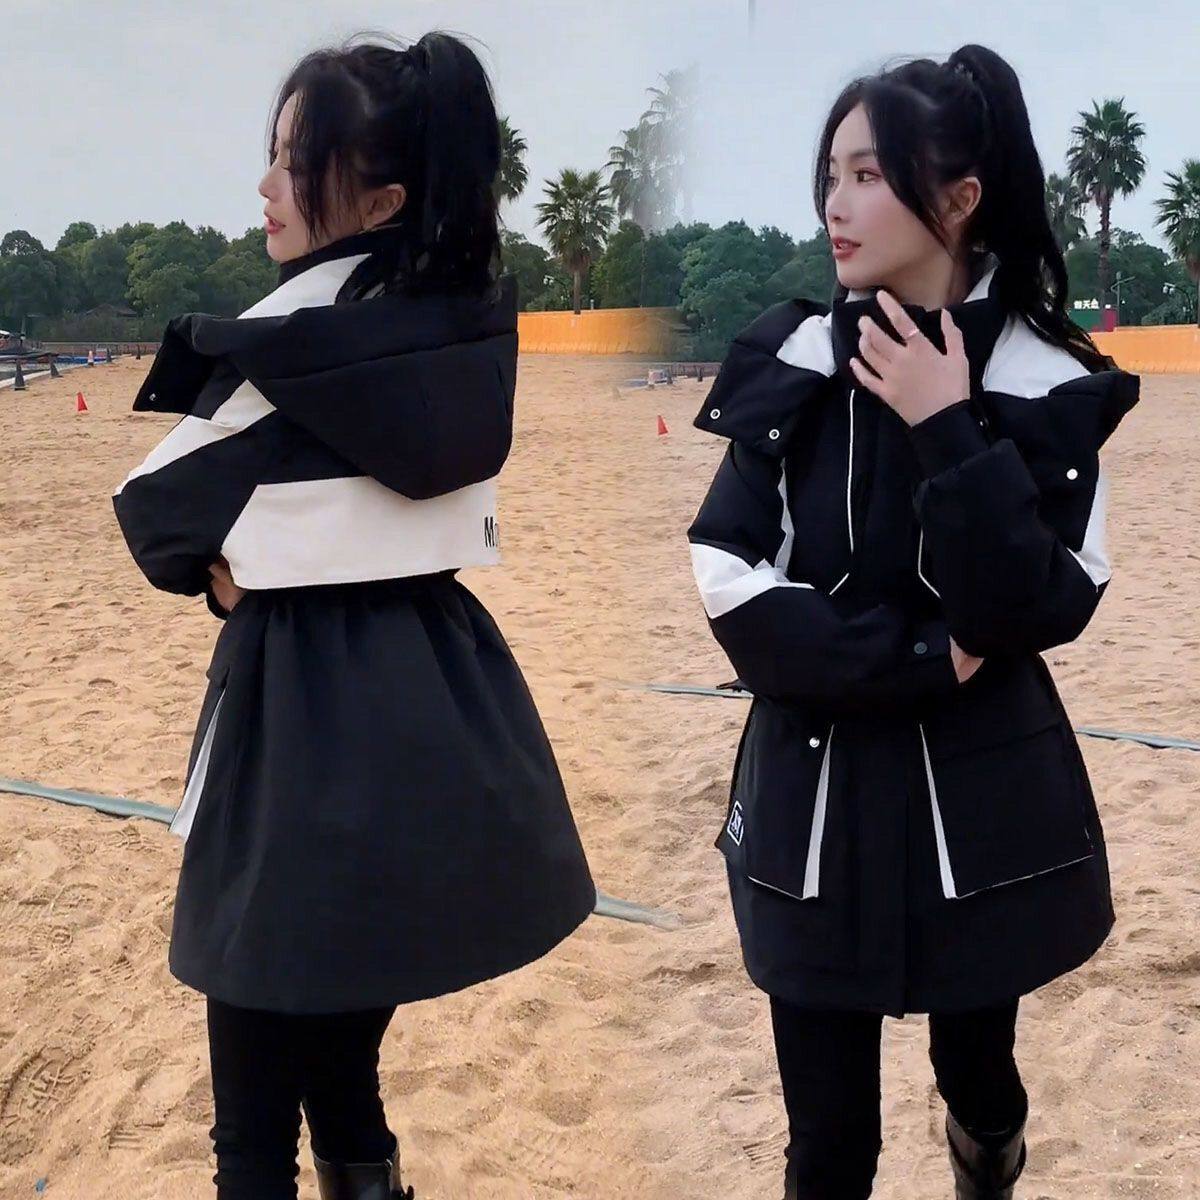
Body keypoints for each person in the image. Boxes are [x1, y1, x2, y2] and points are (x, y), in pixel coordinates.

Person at [112, 32, 595, 1200]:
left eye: (296, 162)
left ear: (379, 201)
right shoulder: (463, 335)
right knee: (344, 1054)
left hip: (295, 717)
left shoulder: (295, 345)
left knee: (249, 1102)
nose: (267, 186)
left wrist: (239, 568)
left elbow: (153, 514)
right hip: (435, 701)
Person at [686, 44, 1139, 1200]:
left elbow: (1045, 600)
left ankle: (989, 1158)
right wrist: (926, 655)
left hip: (979, 805)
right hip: (813, 791)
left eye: (868, 176)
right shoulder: (797, 358)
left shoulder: (1044, 378)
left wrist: (947, 425)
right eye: (830, 175)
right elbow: (729, 572)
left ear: (960, 197)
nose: (835, 206)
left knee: (976, 1075)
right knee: (828, 1139)